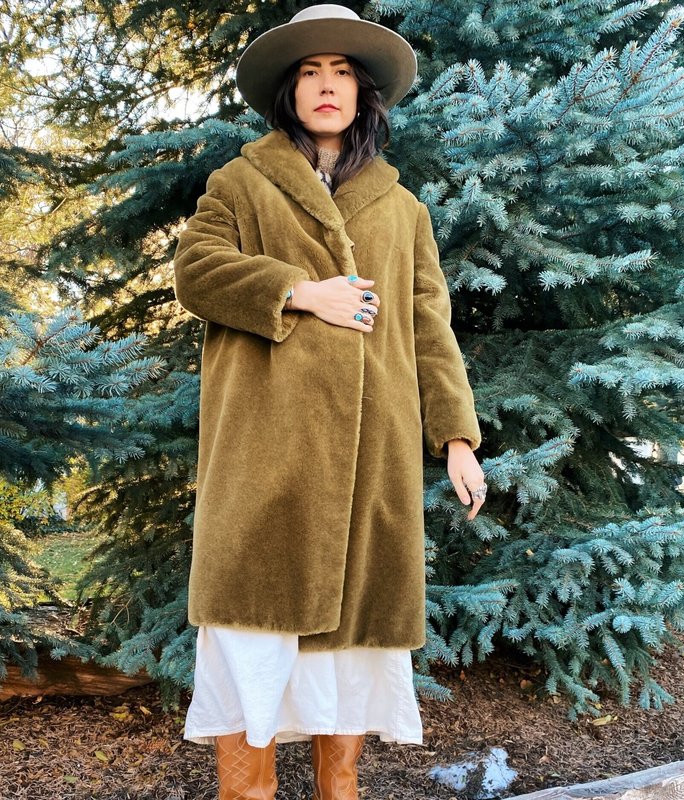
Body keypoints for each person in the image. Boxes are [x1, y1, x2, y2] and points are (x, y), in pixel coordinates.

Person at [173, 5, 487, 799]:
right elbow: (196, 271)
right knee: (251, 643)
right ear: (289, 91)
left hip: (371, 461)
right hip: (265, 459)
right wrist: (299, 290)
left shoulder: (403, 209)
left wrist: (456, 438)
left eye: (341, 72)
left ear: (362, 93)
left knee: (350, 660)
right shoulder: (241, 182)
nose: (326, 85)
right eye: (310, 72)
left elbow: (429, 325)